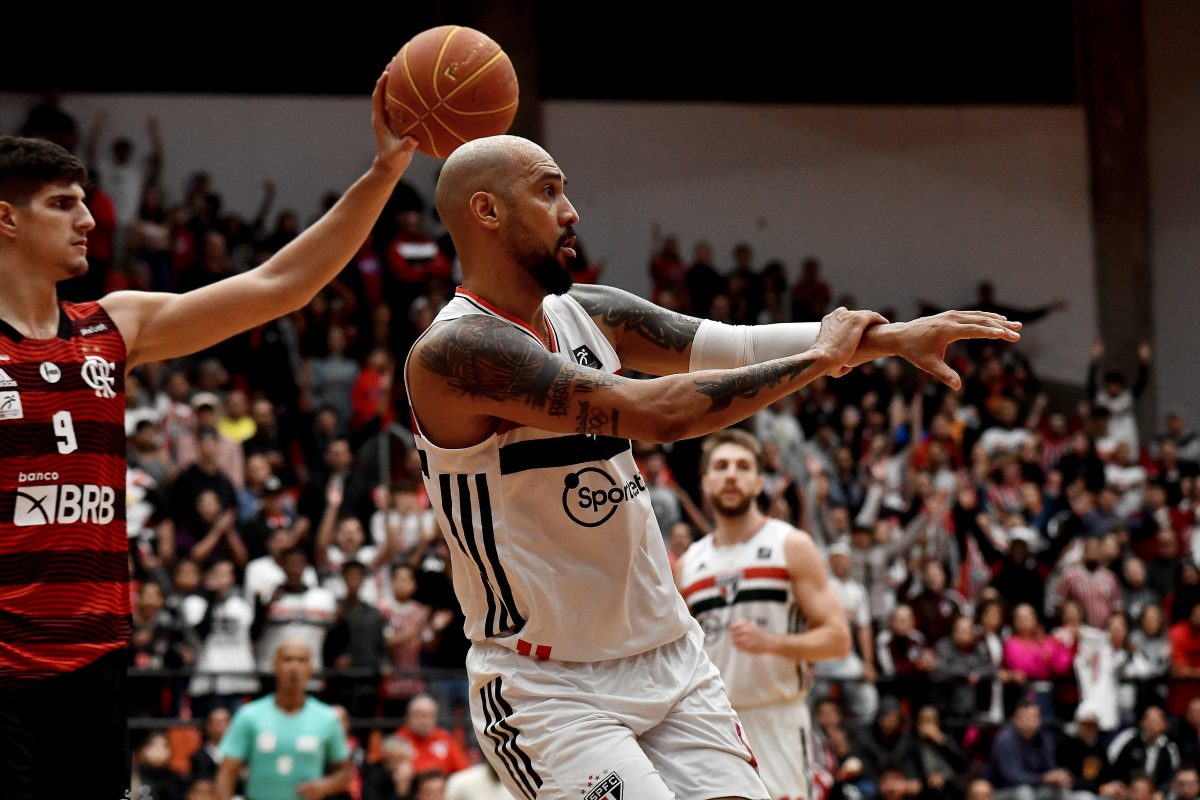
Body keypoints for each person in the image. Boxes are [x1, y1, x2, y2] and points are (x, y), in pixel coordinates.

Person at [402, 133, 1021, 800]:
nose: (571, 211)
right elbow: (662, 413)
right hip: (550, 688)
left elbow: (737, 346)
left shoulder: (590, 312)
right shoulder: (458, 351)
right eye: (548, 191)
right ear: (487, 210)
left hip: (670, 658)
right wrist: (818, 362)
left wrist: (894, 339)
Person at [0, 72, 416, 798]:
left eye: (85, 201)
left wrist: (384, 172)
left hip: (97, 665)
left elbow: (282, 284)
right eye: (62, 204)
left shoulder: (114, 325)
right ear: (6, 219)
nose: (89, 219)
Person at [676, 428, 851, 800]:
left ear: (759, 482)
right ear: (705, 482)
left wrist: (772, 642)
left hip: (778, 718)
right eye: (721, 466)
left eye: (743, 467)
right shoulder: (689, 564)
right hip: (714, 726)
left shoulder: (790, 544)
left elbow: (837, 640)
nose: (731, 475)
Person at [218, 639, 352, 800]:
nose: (294, 667)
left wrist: (326, 785)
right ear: (275, 666)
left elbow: (345, 772)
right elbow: (227, 772)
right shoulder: (249, 715)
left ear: (311, 668)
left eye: (301, 660)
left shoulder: (327, 718)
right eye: (287, 659)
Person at [394, 693, 470, 776]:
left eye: (429, 716)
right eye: (418, 715)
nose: (424, 721)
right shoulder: (399, 739)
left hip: (443, 782)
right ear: (408, 716)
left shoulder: (444, 737)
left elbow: (463, 770)